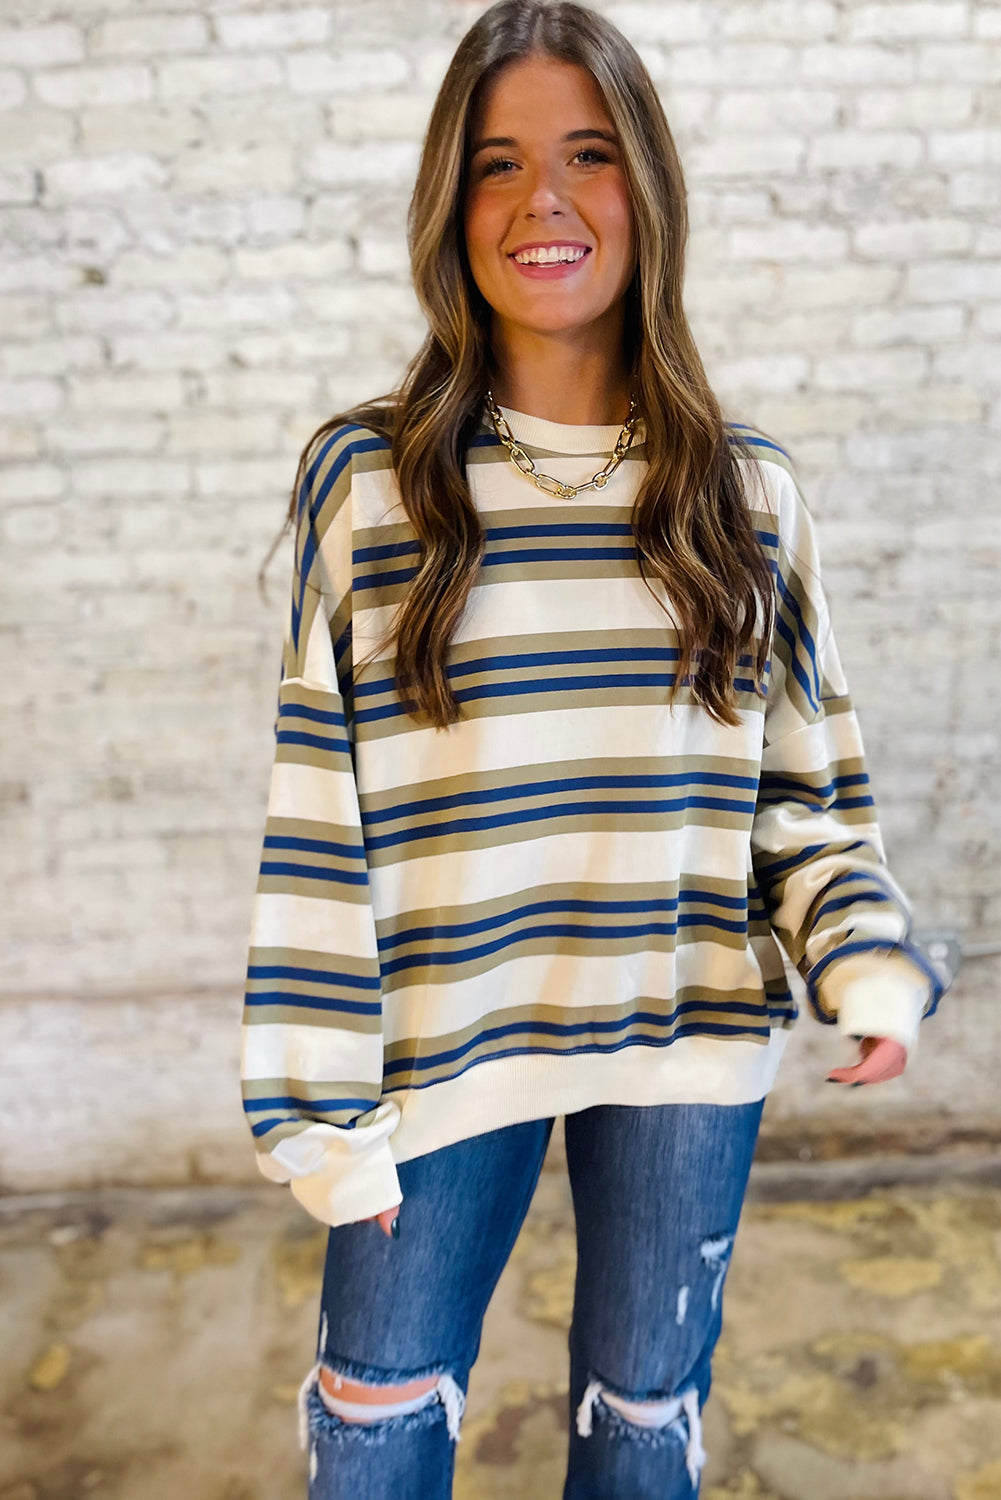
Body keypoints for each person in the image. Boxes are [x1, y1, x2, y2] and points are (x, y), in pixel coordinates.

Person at [240, 3, 946, 1495]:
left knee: (642, 1438)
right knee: (369, 1433)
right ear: (451, 205)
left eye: (587, 154)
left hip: (685, 1034)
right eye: (496, 164)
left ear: (650, 192)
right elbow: (318, 811)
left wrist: (858, 953)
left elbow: (803, 787)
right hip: (439, 1052)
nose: (542, 200)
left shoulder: (743, 492)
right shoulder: (367, 480)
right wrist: (316, 1109)